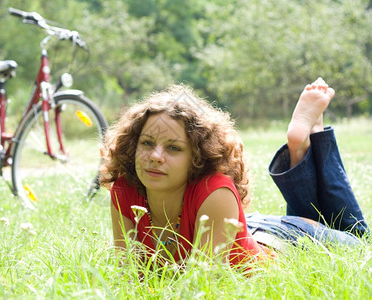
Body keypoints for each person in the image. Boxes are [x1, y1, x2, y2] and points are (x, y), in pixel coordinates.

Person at [100, 78, 369, 266]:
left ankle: (312, 138)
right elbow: (127, 271)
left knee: (360, 240)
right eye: (147, 143)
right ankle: (308, 140)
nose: (155, 157)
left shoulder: (214, 191)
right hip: (245, 225)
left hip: (286, 238)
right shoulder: (125, 190)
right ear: (132, 146)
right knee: (318, 217)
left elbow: (201, 284)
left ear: (197, 157)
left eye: (173, 148)